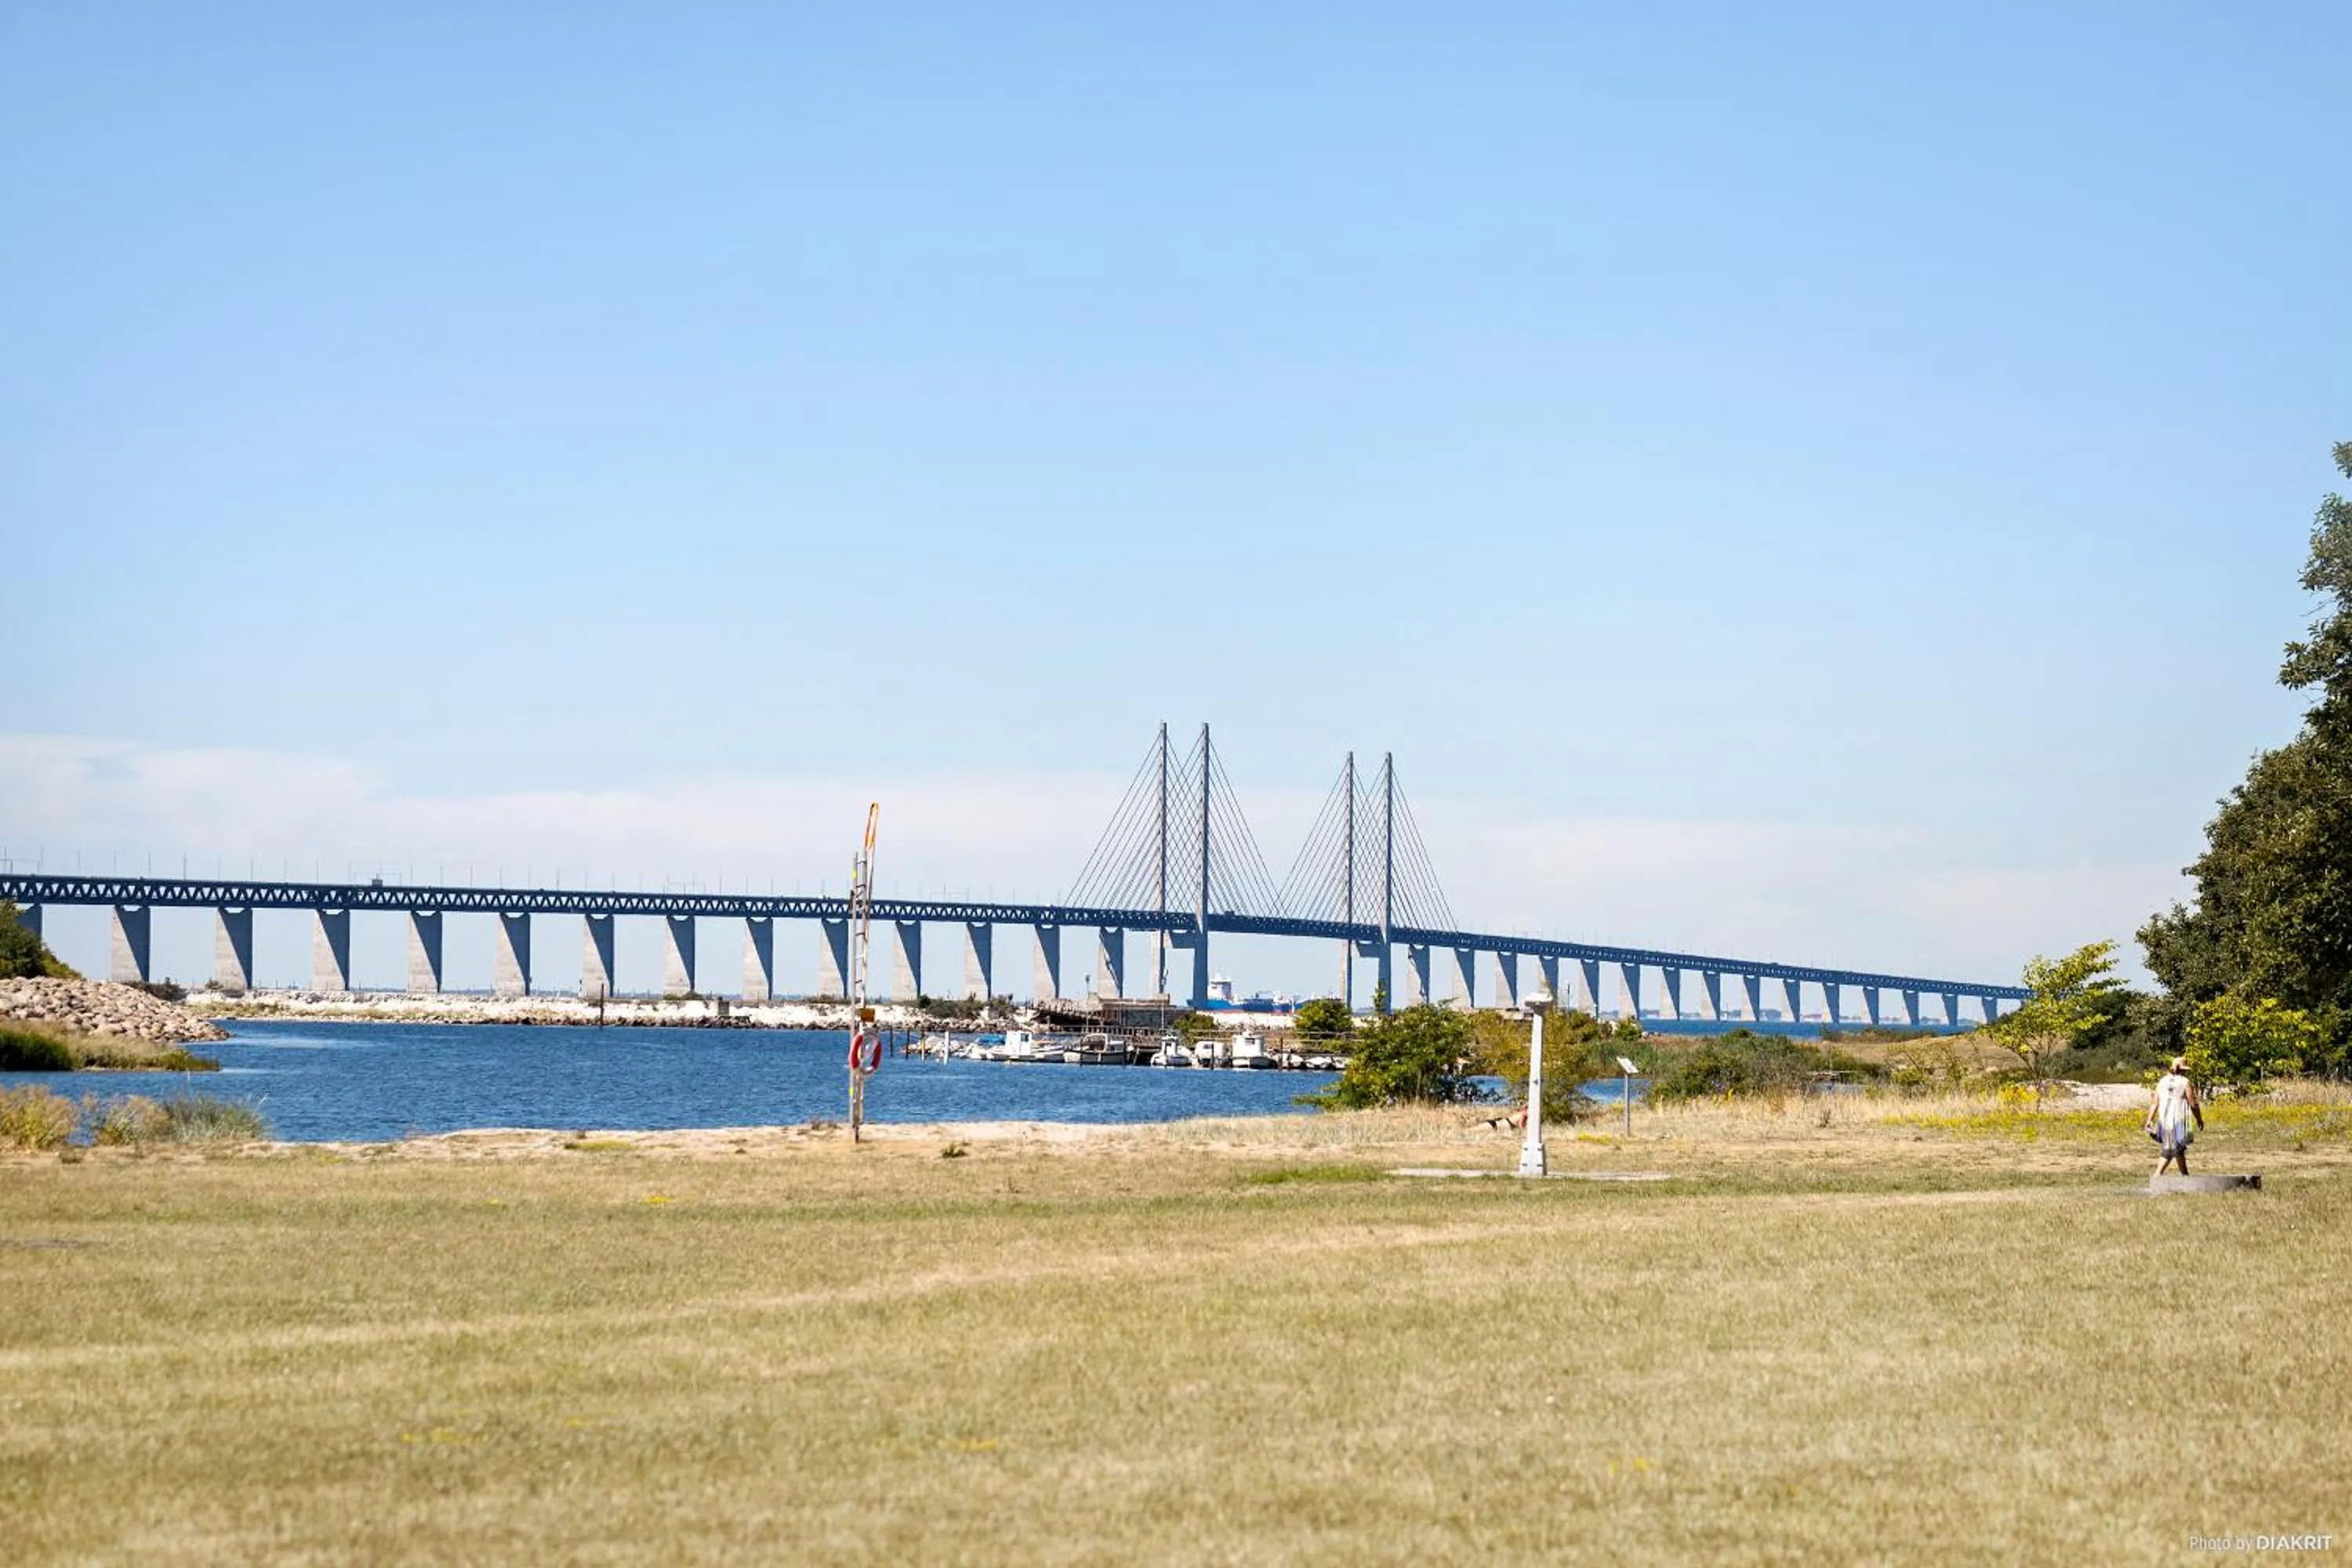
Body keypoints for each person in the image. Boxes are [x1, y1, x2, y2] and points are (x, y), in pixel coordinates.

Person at [2146, 1056, 2204, 1176]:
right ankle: (2158, 1176)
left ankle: (2185, 1177)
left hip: (2164, 1119)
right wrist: (2199, 1119)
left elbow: (2155, 1102)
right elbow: (2192, 1103)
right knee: (2173, 1149)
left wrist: (2150, 1119)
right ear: (2183, 1070)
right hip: (2178, 1119)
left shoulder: (2162, 1081)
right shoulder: (2185, 1082)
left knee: (2176, 1149)